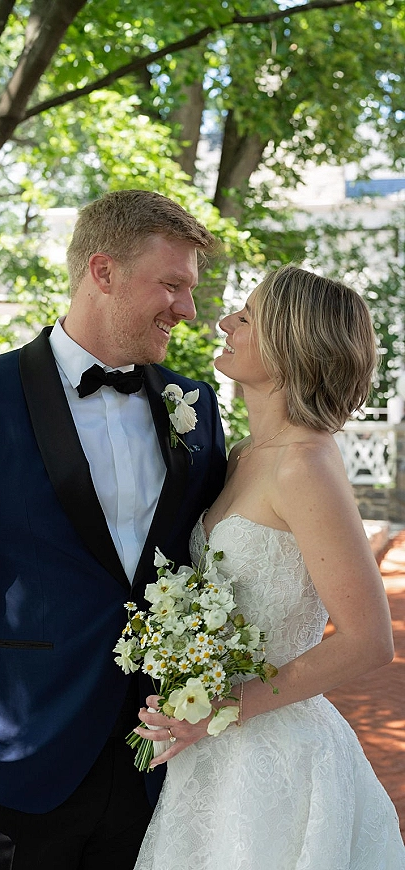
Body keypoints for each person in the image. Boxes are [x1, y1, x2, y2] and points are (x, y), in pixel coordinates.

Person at [0, 189, 227, 869]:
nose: (187, 309)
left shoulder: (196, 407)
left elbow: (208, 561)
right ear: (103, 272)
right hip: (8, 761)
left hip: (152, 766)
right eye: (172, 284)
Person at [133, 264, 405, 869]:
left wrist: (222, 712)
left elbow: (368, 642)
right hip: (210, 750)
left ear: (290, 345)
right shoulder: (243, 454)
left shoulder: (304, 466)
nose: (224, 322)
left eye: (247, 316)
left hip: (274, 758)